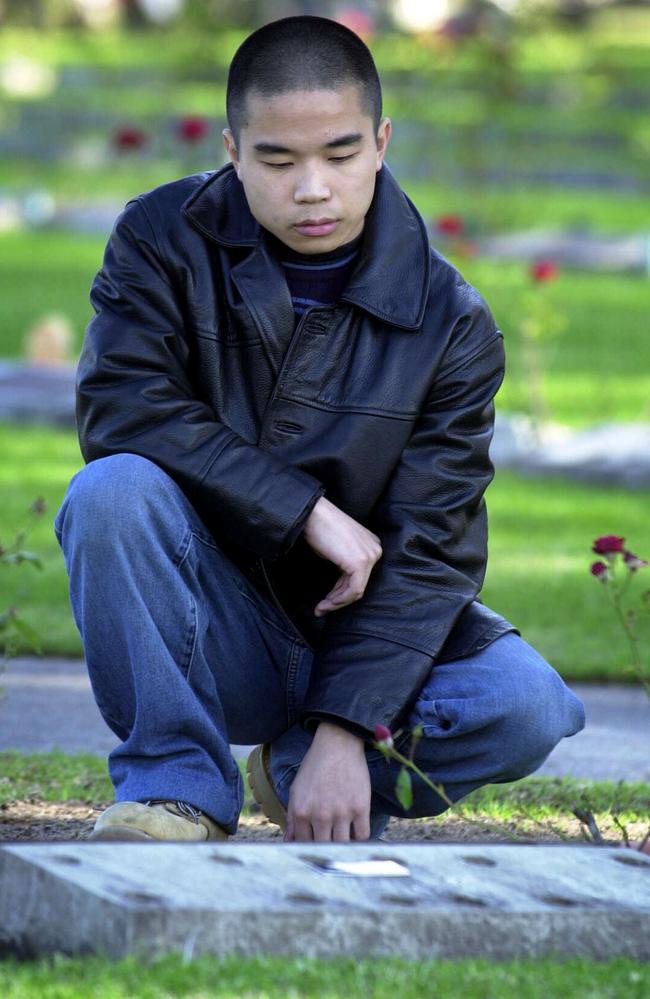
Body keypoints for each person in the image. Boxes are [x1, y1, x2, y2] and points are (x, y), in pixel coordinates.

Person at [55, 15, 585, 844]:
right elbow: (124, 405)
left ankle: (300, 767)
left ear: (380, 141)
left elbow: (431, 553)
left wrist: (347, 726)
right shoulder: (162, 238)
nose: (312, 189)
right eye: (277, 159)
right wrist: (303, 509)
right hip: (207, 621)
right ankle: (176, 789)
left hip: (366, 637)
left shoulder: (452, 322)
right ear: (233, 149)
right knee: (111, 492)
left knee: (530, 703)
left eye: (339, 155)